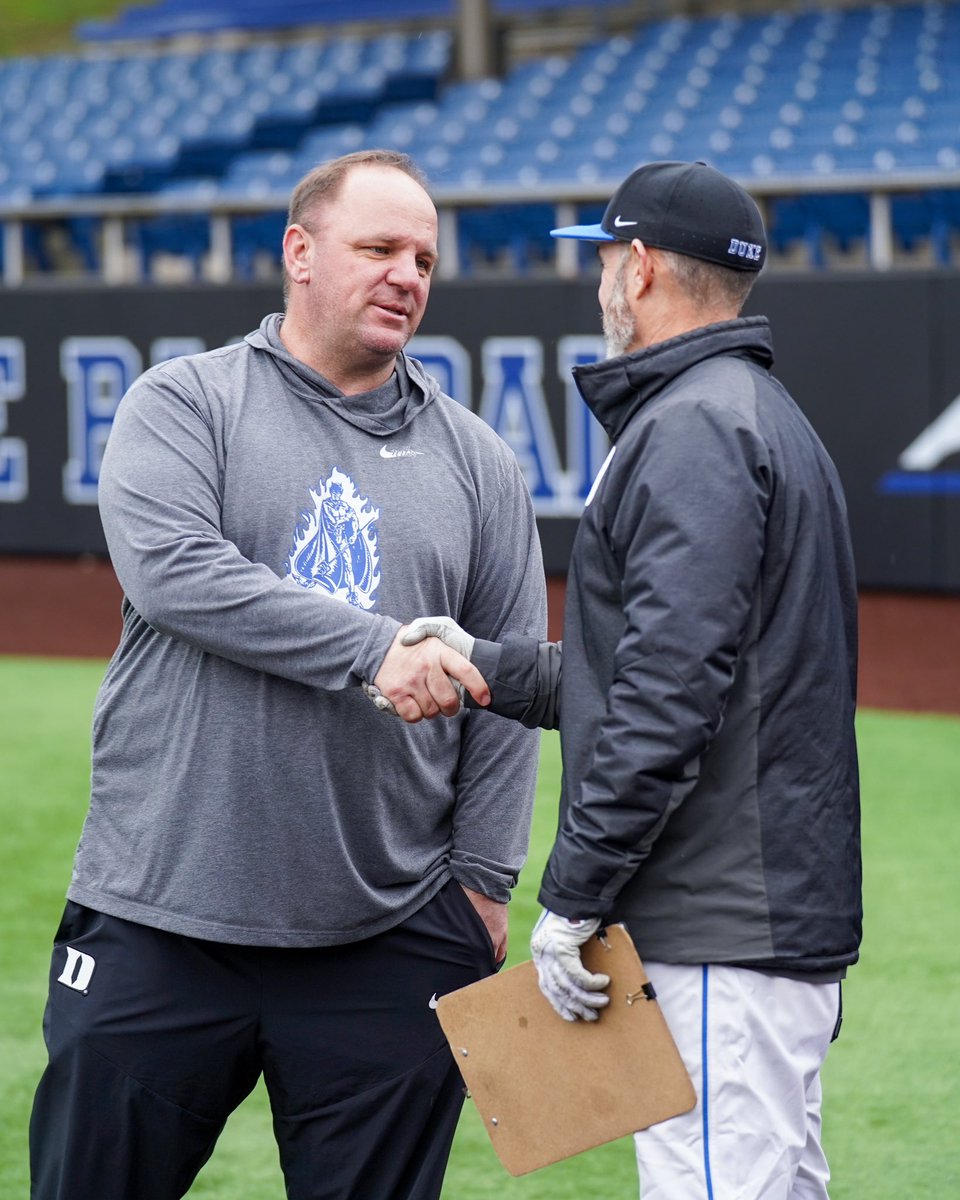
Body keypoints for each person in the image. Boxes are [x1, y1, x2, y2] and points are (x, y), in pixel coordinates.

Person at [29, 149, 547, 1200]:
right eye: (379, 248)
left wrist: (485, 888)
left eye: (425, 258)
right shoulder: (184, 403)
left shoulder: (481, 461)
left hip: (390, 936)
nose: (407, 273)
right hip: (163, 919)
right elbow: (178, 575)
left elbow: (507, 686)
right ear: (299, 254)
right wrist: (373, 649)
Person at [389, 160, 862, 1199]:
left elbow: (667, 693)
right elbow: (656, 668)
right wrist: (485, 665)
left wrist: (574, 896)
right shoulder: (748, 409)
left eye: (604, 255)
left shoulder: (697, 423)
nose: (598, 277)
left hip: (720, 926)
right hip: (752, 919)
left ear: (641, 268)